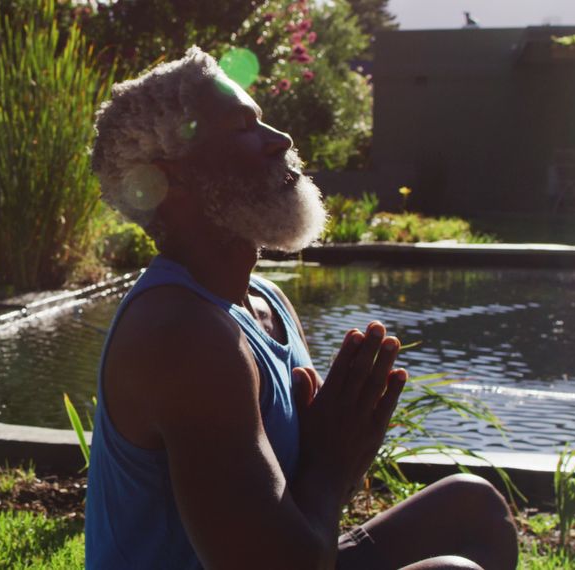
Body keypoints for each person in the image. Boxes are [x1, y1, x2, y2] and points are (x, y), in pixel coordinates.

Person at [84, 47, 518, 569]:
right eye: (243, 128)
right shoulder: (183, 334)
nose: (281, 140)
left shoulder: (266, 300)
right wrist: (333, 468)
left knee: (474, 508)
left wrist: (319, 457)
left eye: (262, 120)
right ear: (169, 178)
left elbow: (287, 503)